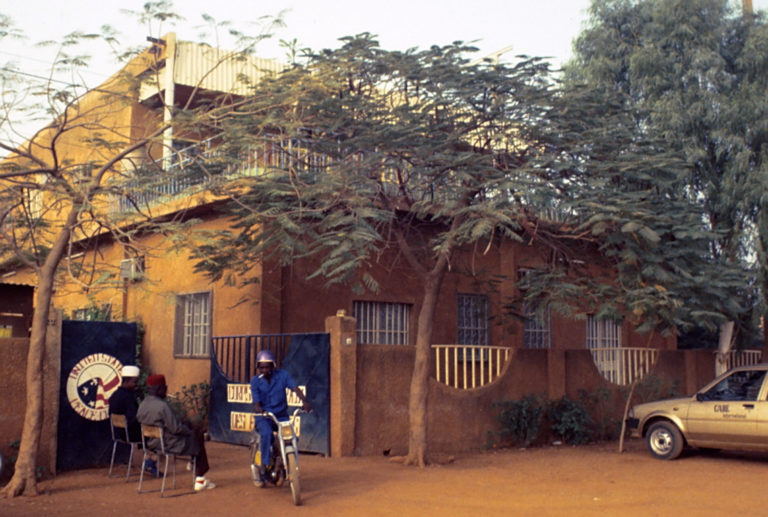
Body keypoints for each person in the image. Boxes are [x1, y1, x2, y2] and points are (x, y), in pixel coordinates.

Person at [137, 374, 215, 491]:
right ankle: (200, 478)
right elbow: (176, 429)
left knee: (193, 433)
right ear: (159, 389)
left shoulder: (143, 404)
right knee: (197, 435)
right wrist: (190, 430)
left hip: (152, 443)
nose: (166, 390)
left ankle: (193, 463)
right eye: (164, 387)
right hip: (169, 444)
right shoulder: (162, 406)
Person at [250, 350, 312, 488]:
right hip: (264, 417)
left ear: (273, 365)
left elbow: (294, 388)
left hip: (281, 415)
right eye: (262, 367)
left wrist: (304, 401)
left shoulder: (282, 376)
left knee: (292, 438)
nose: (265, 370)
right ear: (258, 368)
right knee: (266, 434)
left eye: (268, 366)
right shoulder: (255, 381)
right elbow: (256, 401)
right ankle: (264, 464)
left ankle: (286, 463)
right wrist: (259, 408)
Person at [108, 365, 141, 442]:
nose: (136, 385)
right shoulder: (128, 397)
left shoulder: (115, 395)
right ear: (126, 381)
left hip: (117, 433)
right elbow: (132, 419)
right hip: (130, 434)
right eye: (134, 382)